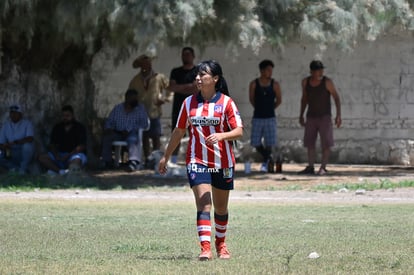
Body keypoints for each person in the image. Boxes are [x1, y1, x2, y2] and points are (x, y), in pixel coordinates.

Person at [158, 60, 243, 261]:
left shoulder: (227, 103)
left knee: (221, 208)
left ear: (215, 79)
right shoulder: (188, 103)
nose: (197, 78)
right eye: (197, 74)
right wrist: (166, 155)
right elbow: (179, 131)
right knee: (204, 204)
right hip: (197, 161)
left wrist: (222, 136)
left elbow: (239, 131)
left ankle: (221, 244)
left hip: (223, 163)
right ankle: (205, 248)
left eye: (202, 74)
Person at [299, 60, 342, 175]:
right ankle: (310, 166)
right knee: (310, 143)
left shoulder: (327, 82)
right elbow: (304, 99)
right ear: (312, 72)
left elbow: (336, 97)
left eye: (321, 70)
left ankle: (323, 167)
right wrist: (301, 114)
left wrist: (338, 115)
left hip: (325, 116)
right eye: (318, 71)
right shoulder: (305, 82)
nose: (320, 73)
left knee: (326, 143)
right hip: (311, 116)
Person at [129, 54, 171, 167]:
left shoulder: (159, 77)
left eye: (148, 62)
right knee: (145, 136)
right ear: (140, 65)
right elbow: (130, 94)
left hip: (154, 111)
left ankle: (157, 159)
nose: (146, 65)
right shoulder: (135, 80)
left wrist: (165, 99)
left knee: (156, 136)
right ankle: (148, 159)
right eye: (143, 63)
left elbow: (170, 89)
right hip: (141, 113)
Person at [101, 89, 149, 172]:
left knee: (132, 139)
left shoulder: (140, 109)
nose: (136, 101)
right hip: (118, 132)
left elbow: (145, 124)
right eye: (133, 99)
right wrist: (108, 128)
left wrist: (129, 129)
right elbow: (109, 121)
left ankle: (133, 162)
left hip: (132, 132)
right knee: (107, 137)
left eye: (136, 99)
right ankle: (107, 161)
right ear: (127, 98)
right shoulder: (118, 108)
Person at [249, 59, 282, 172]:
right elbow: (252, 99)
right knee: (255, 142)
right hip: (257, 117)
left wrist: (270, 108)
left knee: (269, 143)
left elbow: (279, 100)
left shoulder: (275, 84)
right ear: (262, 71)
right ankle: (269, 158)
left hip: (270, 117)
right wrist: (259, 108)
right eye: (268, 70)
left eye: (271, 70)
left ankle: (267, 164)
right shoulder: (254, 84)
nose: (270, 72)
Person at [168, 47, 199, 163]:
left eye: (188, 54)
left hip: (194, 108)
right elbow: (172, 87)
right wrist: (189, 87)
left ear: (193, 56)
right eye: (183, 54)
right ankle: (174, 160)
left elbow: (197, 88)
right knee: (177, 135)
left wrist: (181, 88)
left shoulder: (198, 71)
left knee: (195, 134)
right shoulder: (175, 72)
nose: (186, 57)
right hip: (178, 108)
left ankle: (195, 160)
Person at [38, 105, 87, 175]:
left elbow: (81, 146)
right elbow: (52, 144)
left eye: (68, 116)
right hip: (60, 155)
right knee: (42, 157)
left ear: (72, 116)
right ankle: (60, 172)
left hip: (74, 154)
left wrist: (68, 155)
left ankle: (68, 172)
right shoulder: (57, 127)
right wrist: (56, 155)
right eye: (63, 116)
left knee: (77, 161)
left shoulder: (80, 127)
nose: (65, 118)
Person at [0, 104, 35, 174]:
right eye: (11, 113)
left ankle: (23, 169)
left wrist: (15, 142)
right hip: (11, 152)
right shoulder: (6, 125)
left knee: (28, 146)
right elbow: (1, 142)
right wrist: (4, 146)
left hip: (23, 152)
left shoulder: (27, 123)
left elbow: (30, 138)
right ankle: (16, 169)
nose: (13, 115)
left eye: (15, 113)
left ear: (20, 114)